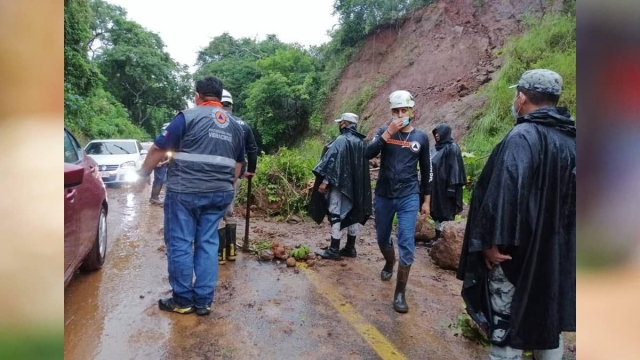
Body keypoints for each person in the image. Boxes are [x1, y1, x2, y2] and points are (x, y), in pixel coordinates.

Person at [456, 69, 576, 359]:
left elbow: (506, 193)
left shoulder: (523, 135)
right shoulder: (572, 139)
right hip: (555, 256)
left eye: (515, 95)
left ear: (522, 98)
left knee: (506, 328)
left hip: (516, 258)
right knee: (547, 324)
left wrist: (489, 243)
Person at [134, 76, 245, 316]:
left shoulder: (187, 117)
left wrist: (143, 175)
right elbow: (239, 164)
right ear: (219, 97)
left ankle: (183, 300)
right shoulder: (236, 125)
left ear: (198, 96)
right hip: (220, 194)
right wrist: (226, 185)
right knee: (207, 243)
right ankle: (203, 301)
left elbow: (157, 149)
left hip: (185, 192)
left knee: (181, 243)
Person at [365, 90, 432, 313]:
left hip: (409, 196)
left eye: (404, 110)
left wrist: (426, 201)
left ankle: (400, 293)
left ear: (412, 111)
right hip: (384, 194)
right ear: (391, 113)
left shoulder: (421, 137)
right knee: (382, 237)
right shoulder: (384, 131)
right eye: (396, 111)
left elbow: (427, 170)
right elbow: (367, 153)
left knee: (406, 241)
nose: (401, 114)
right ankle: (389, 262)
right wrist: (387, 134)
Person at [309, 113, 372, 260]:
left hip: (339, 185)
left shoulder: (341, 140)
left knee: (335, 212)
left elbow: (331, 163)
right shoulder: (362, 142)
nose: (339, 125)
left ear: (344, 123)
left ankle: (334, 249)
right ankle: (350, 248)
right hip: (356, 187)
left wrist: (324, 182)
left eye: (340, 123)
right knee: (354, 212)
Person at [217, 89, 258, 264]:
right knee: (229, 210)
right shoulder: (243, 125)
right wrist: (251, 171)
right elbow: (252, 149)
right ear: (232, 105)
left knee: (217, 213)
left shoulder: (215, 122)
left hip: (215, 174)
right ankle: (232, 251)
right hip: (237, 174)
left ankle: (220, 253)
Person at [426, 124, 466, 246]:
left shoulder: (452, 148)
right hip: (436, 187)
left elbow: (455, 168)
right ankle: (437, 238)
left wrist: (452, 187)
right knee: (436, 211)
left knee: (445, 212)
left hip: (447, 188)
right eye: (435, 133)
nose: (437, 135)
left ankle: (444, 241)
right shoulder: (435, 149)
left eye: (439, 133)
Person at [149, 122, 172, 205]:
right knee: (159, 180)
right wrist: (158, 161)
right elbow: (157, 149)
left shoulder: (164, 136)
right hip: (160, 161)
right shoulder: (161, 137)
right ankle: (154, 198)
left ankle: (154, 198)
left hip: (164, 161)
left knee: (160, 180)